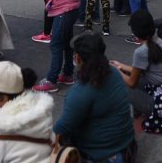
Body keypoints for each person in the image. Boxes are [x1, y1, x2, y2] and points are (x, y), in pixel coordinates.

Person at [53, 33, 136, 162]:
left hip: (102, 155)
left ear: (77, 58)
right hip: (127, 146)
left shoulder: (81, 91)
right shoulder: (113, 71)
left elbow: (62, 128)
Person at [110, 11, 162, 135]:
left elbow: (131, 83)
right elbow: (140, 70)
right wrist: (121, 66)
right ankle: (139, 110)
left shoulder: (141, 52)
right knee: (129, 74)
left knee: (120, 84)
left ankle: (134, 115)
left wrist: (116, 70)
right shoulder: (159, 41)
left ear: (136, 33)